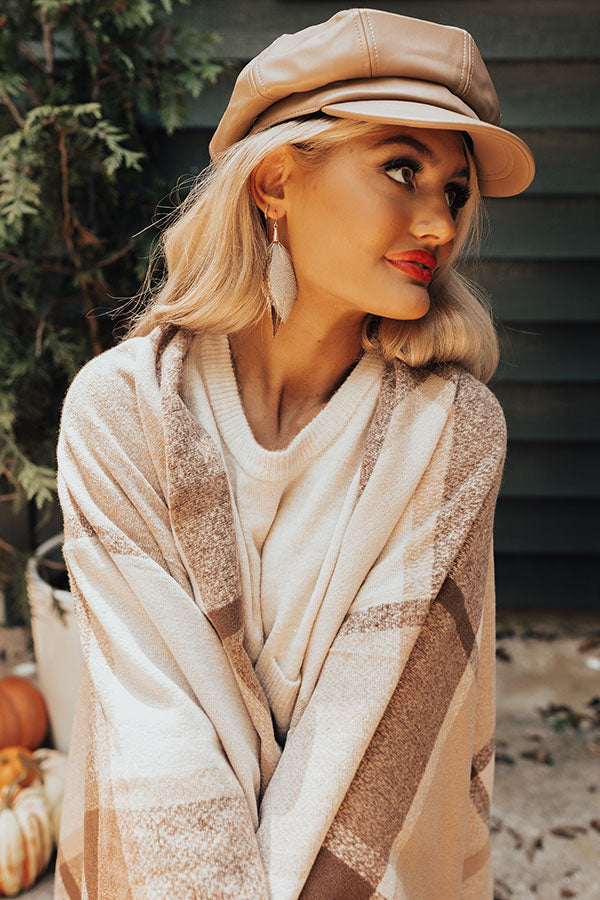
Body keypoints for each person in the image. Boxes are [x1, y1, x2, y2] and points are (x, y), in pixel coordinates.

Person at [53, 8, 535, 900]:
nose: (438, 221)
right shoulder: (121, 413)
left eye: (457, 191)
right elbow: (158, 732)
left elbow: (379, 736)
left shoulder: (452, 433)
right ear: (275, 181)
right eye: (402, 169)